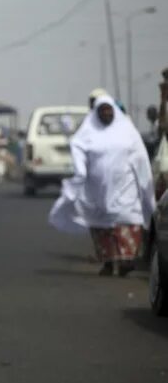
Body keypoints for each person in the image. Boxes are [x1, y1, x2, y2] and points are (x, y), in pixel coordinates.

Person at [49, 95, 155, 276]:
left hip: (125, 186)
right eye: (102, 110)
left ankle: (125, 261)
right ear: (96, 113)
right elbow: (78, 148)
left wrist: (146, 187)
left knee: (127, 220)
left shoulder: (128, 132)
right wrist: (80, 174)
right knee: (102, 226)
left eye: (109, 110)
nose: (106, 113)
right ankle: (108, 262)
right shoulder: (88, 133)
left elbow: (141, 160)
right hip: (97, 190)